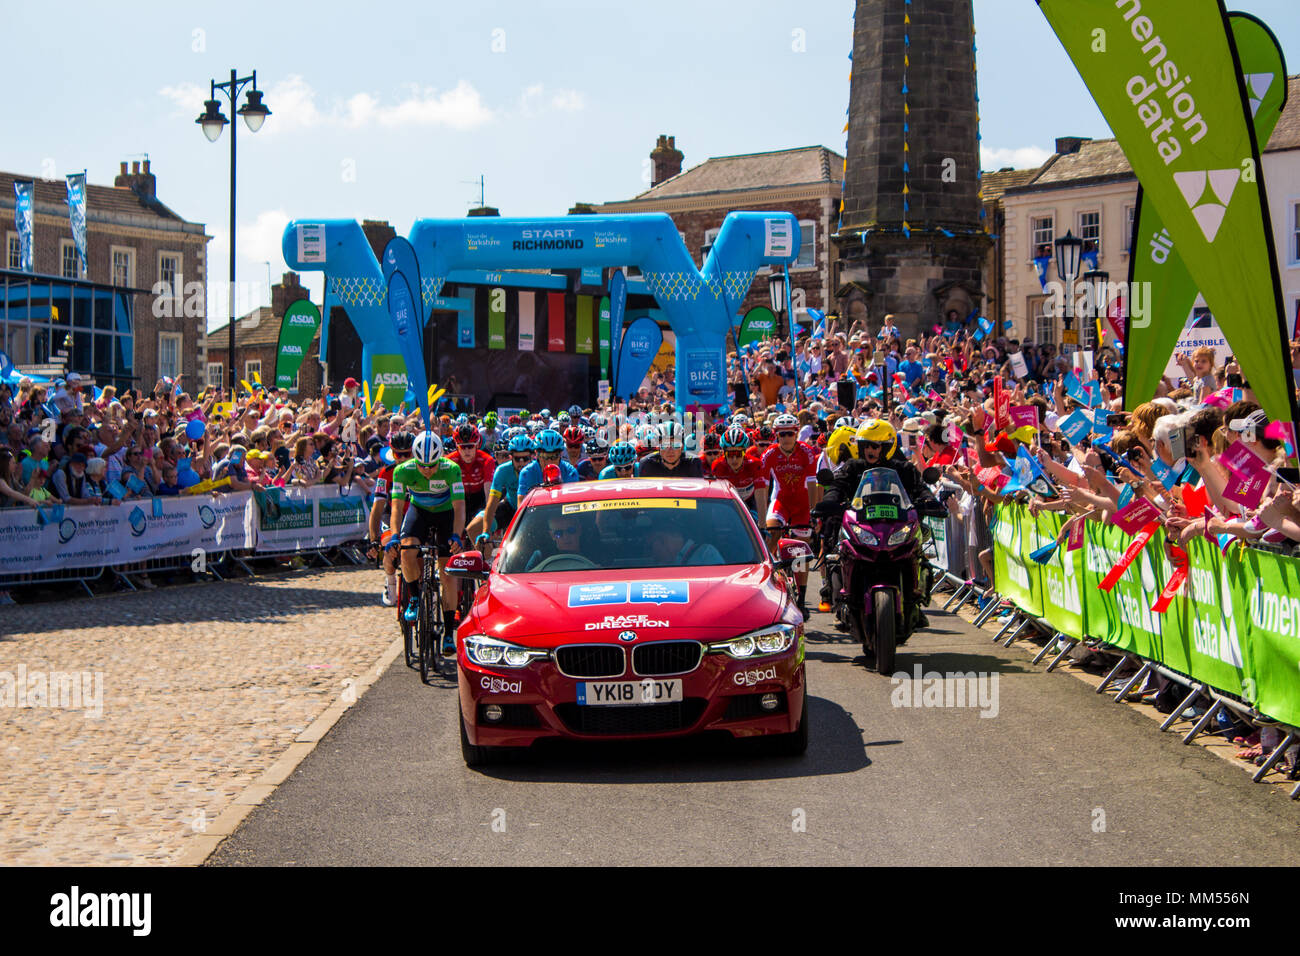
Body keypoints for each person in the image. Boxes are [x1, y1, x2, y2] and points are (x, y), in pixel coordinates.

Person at [816, 419, 944, 629]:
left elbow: (920, 488)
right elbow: (837, 486)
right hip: (863, 526)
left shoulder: (903, 469)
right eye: (866, 445)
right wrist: (830, 500)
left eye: (875, 446)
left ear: (886, 447)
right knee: (836, 551)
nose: (870, 450)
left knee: (919, 554)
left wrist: (929, 501)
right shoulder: (852, 467)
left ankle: (915, 601)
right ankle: (838, 598)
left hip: (895, 526)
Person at [392, 431, 466, 654]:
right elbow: (396, 506)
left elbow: (460, 506)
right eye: (422, 465)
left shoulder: (451, 469)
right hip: (419, 512)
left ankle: (448, 634)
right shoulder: (402, 471)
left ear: (440, 459)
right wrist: (395, 535)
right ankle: (415, 597)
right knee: (407, 551)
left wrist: (456, 535)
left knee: (447, 573)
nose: (427, 470)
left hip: (446, 514)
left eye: (432, 465)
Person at [759, 412, 818, 615]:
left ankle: (801, 595)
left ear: (796, 434)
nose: (786, 438)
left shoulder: (807, 452)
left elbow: (812, 484)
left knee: (801, 550)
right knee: (771, 531)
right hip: (781, 501)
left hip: (802, 504)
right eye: (782, 434)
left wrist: (813, 513)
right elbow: (763, 488)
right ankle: (767, 573)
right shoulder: (769, 454)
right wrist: (760, 519)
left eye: (790, 434)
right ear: (776, 435)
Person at [711, 425, 768, 520]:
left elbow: (761, 497)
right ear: (724, 453)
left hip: (750, 501)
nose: (734, 459)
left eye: (738, 454)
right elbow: (715, 500)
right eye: (730, 454)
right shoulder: (718, 466)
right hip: (727, 503)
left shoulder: (754, 464)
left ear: (745, 452)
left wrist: (762, 526)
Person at [517, 429, 580, 499]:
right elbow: (521, 501)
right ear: (536, 454)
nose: (549, 462)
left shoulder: (570, 472)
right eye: (545, 457)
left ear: (561, 454)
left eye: (554, 457)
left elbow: (573, 499)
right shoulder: (526, 473)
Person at [638, 421, 706, 478]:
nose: (670, 450)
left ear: (682, 447)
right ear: (658, 447)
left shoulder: (693, 462)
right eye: (665, 445)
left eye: (676, 445)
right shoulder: (647, 464)